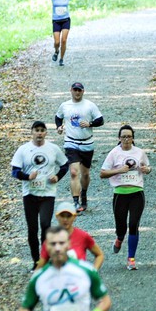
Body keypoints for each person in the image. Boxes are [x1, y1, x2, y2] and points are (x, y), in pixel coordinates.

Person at [11, 121, 70, 270]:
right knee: (32, 229)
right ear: (32, 132)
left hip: (48, 193)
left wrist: (57, 177)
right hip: (29, 193)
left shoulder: (53, 148)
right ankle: (36, 261)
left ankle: (45, 259)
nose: (39, 133)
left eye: (42, 130)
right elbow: (15, 171)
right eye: (36, 130)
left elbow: (65, 164)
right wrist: (27, 177)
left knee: (45, 224)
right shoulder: (23, 149)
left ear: (46, 133)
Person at [99, 125, 151, 271]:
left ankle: (131, 259)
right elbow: (102, 174)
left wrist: (147, 169)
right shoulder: (114, 153)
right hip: (120, 194)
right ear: (119, 138)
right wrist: (119, 170)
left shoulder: (139, 152)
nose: (126, 139)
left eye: (129, 136)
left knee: (134, 224)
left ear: (133, 138)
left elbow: (148, 167)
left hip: (137, 193)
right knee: (121, 226)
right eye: (123, 137)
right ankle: (119, 238)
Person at [19, 0, 104, 66]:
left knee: (63, 40)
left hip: (65, 20)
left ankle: (61, 59)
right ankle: (56, 51)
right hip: (56, 21)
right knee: (56, 42)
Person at [55, 82, 104, 213]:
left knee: (85, 174)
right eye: (75, 90)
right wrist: (59, 127)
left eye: (79, 90)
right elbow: (58, 117)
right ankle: (76, 202)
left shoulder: (89, 105)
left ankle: (84, 195)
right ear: (70, 90)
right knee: (73, 172)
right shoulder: (65, 105)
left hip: (87, 143)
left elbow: (101, 120)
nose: (77, 92)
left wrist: (90, 123)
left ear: (83, 91)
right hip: (71, 142)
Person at [35, 202, 105, 271]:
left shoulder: (83, 236)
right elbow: (41, 264)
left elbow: (99, 255)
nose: (65, 219)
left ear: (74, 217)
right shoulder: (51, 239)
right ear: (57, 217)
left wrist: (93, 272)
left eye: (69, 216)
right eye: (62, 216)